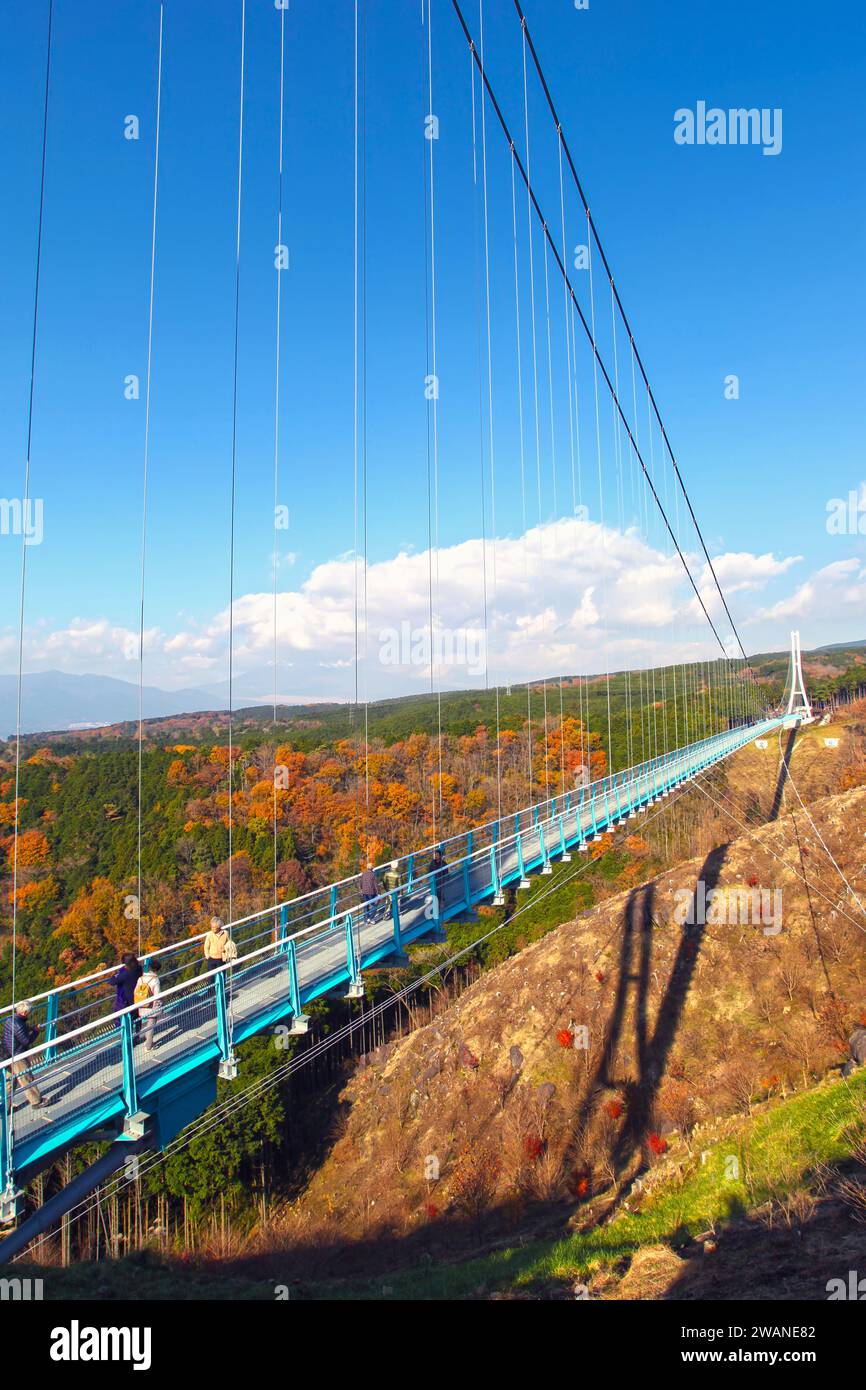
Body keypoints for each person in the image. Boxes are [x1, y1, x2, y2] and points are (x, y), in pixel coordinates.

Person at [2, 1002, 50, 1114]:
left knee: (9, 1082)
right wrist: (36, 1031)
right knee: (26, 1078)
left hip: (6, 1054)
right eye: (28, 1012)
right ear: (24, 1012)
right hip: (17, 1055)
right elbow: (26, 1040)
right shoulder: (19, 1024)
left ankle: (5, 1107)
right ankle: (36, 1101)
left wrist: (29, 1028)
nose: (29, 1014)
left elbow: (19, 1031)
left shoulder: (11, 1019)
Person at [134, 959, 162, 1054]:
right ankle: (148, 1045)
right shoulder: (155, 980)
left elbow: (135, 992)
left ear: (149, 967)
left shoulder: (140, 978)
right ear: (157, 970)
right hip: (152, 1006)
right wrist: (159, 1005)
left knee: (147, 1025)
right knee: (150, 1025)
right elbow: (157, 995)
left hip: (142, 1005)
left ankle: (147, 1041)